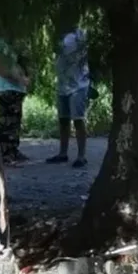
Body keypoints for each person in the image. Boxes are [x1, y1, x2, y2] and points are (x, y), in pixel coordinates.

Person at [49, 22, 90, 168]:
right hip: (62, 84)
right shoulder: (59, 35)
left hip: (78, 84)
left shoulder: (80, 34)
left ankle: (81, 156)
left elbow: (83, 53)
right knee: (63, 120)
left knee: (78, 120)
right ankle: (63, 153)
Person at [0, 31, 30, 164]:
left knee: (15, 122)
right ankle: (5, 154)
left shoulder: (8, 43)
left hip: (15, 89)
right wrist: (19, 78)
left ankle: (13, 150)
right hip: (6, 88)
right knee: (7, 122)